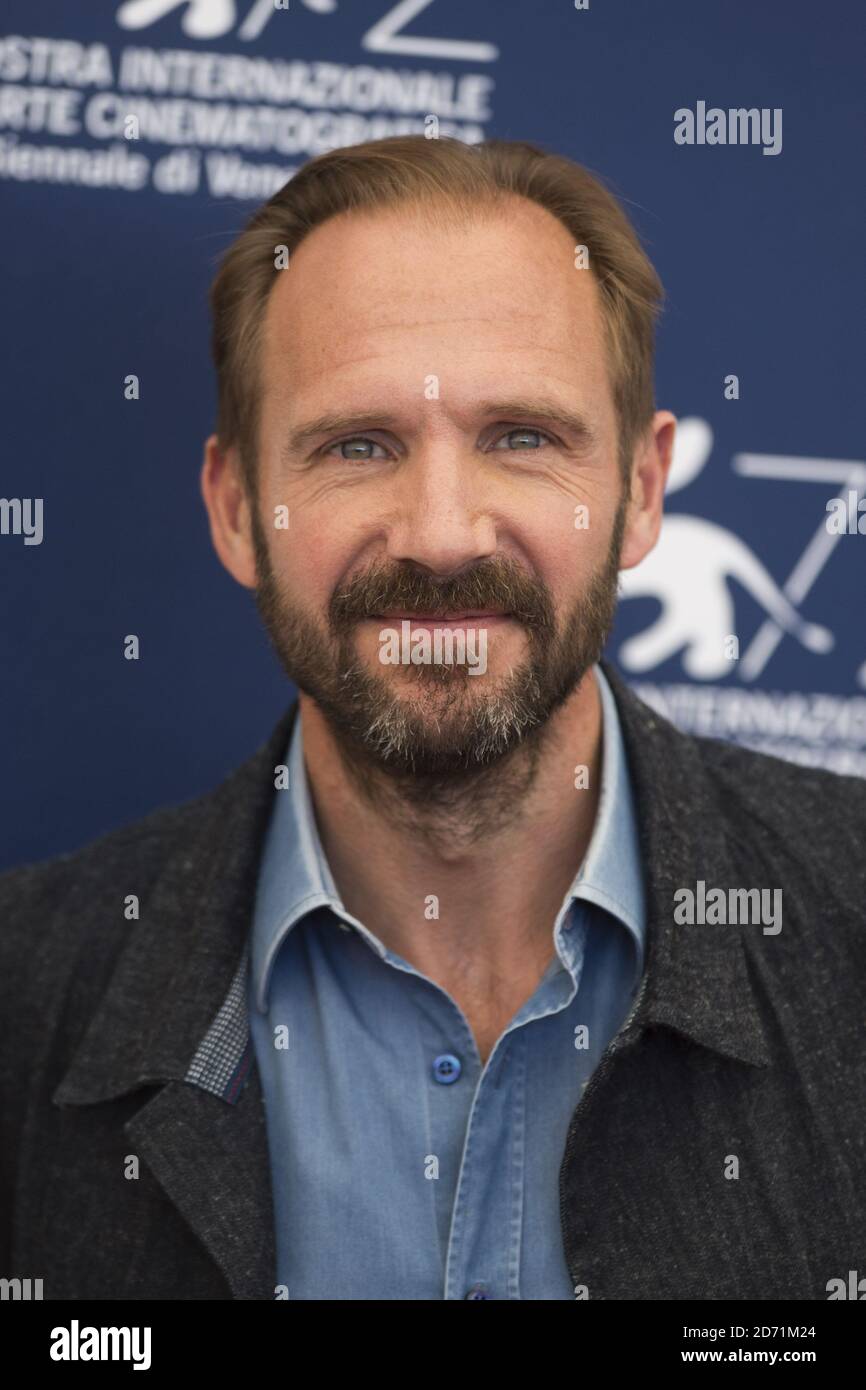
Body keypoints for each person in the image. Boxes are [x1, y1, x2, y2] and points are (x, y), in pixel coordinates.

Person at [1, 136, 863, 1301]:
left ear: (641, 494)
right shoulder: (27, 988)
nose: (442, 534)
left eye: (520, 437)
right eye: (357, 446)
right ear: (238, 511)